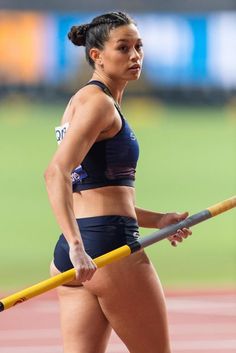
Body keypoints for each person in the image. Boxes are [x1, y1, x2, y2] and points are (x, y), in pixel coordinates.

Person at [44, 11, 192, 353]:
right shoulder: (100, 105)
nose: (135, 56)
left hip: (74, 251)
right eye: (123, 48)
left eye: (138, 47)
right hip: (106, 248)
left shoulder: (81, 101)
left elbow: (92, 189)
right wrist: (80, 246)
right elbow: (56, 173)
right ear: (97, 55)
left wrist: (159, 220)